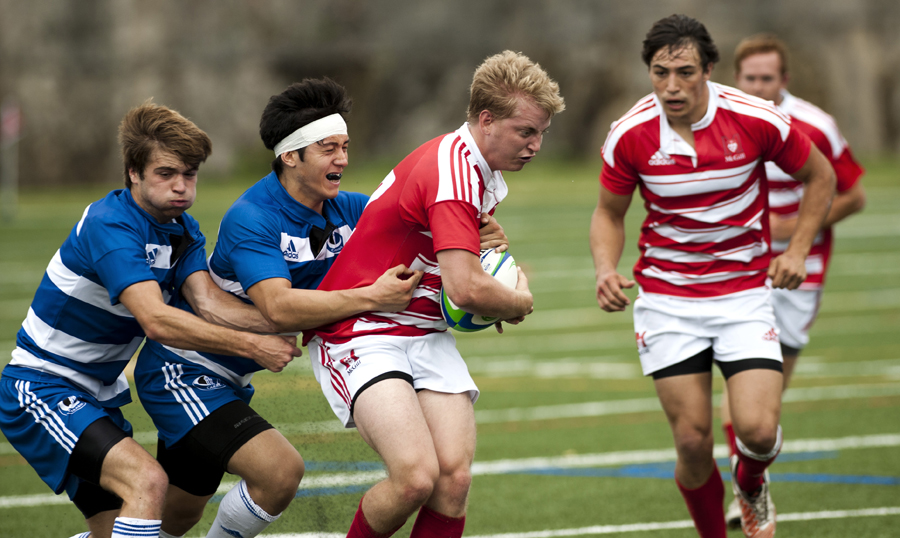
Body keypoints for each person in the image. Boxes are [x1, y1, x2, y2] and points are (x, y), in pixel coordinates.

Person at [133, 78, 510, 538]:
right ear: (291, 156)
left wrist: (479, 249)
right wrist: (372, 297)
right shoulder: (253, 217)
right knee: (279, 473)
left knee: (174, 518)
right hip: (187, 369)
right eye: (329, 149)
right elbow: (279, 309)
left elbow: (429, 226)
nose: (343, 160)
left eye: (346, 146)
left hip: (234, 378)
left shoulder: (349, 208)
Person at [0, 102, 302, 538]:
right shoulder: (110, 224)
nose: (181, 187)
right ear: (133, 173)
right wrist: (253, 346)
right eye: (166, 174)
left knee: (134, 526)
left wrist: (297, 319)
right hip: (42, 387)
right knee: (148, 481)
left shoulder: (183, 229)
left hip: (98, 396)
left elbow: (209, 302)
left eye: (190, 174)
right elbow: (157, 320)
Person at [590, 15, 835, 538]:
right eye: (660, 73)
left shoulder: (754, 117)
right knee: (693, 443)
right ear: (648, 72)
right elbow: (609, 213)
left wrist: (796, 250)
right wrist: (605, 268)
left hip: (743, 295)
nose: (672, 86)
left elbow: (821, 176)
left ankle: (750, 482)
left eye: (684, 72)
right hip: (668, 300)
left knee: (759, 431)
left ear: (709, 70)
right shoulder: (630, 133)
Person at [308, 50, 564, 538]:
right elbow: (466, 289)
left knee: (454, 480)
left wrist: (495, 269)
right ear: (486, 119)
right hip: (366, 331)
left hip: (424, 330)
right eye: (526, 132)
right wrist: (517, 300)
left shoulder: (478, 169)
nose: (535, 145)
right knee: (414, 479)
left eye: (541, 134)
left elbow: (468, 266)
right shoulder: (453, 172)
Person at [719, 33, 866, 529]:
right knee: (737, 382)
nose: (758, 87)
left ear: (784, 80)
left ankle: (748, 475)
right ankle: (743, 490)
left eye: (767, 78)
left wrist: (796, 231)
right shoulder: (719, 118)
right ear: (736, 78)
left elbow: (853, 196)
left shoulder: (815, 125)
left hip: (802, 272)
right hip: (738, 266)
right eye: (749, 78)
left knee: (768, 401)